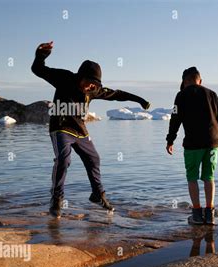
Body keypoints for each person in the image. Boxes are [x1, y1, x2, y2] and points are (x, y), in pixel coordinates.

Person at [32, 41, 151, 218]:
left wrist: (140, 100)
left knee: (93, 158)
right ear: (81, 76)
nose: (90, 88)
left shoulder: (94, 90)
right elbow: (38, 69)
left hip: (80, 130)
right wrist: (41, 54)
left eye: (94, 86)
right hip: (61, 127)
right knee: (64, 160)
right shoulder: (64, 78)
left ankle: (97, 194)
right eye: (89, 83)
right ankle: (56, 199)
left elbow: (117, 94)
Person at [166, 67, 218, 225]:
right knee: (209, 177)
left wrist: (170, 140)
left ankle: (197, 215)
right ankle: (210, 214)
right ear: (200, 80)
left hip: (193, 144)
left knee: (192, 178)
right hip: (213, 142)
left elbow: (175, 118)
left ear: (185, 81)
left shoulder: (180, 96)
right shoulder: (212, 94)